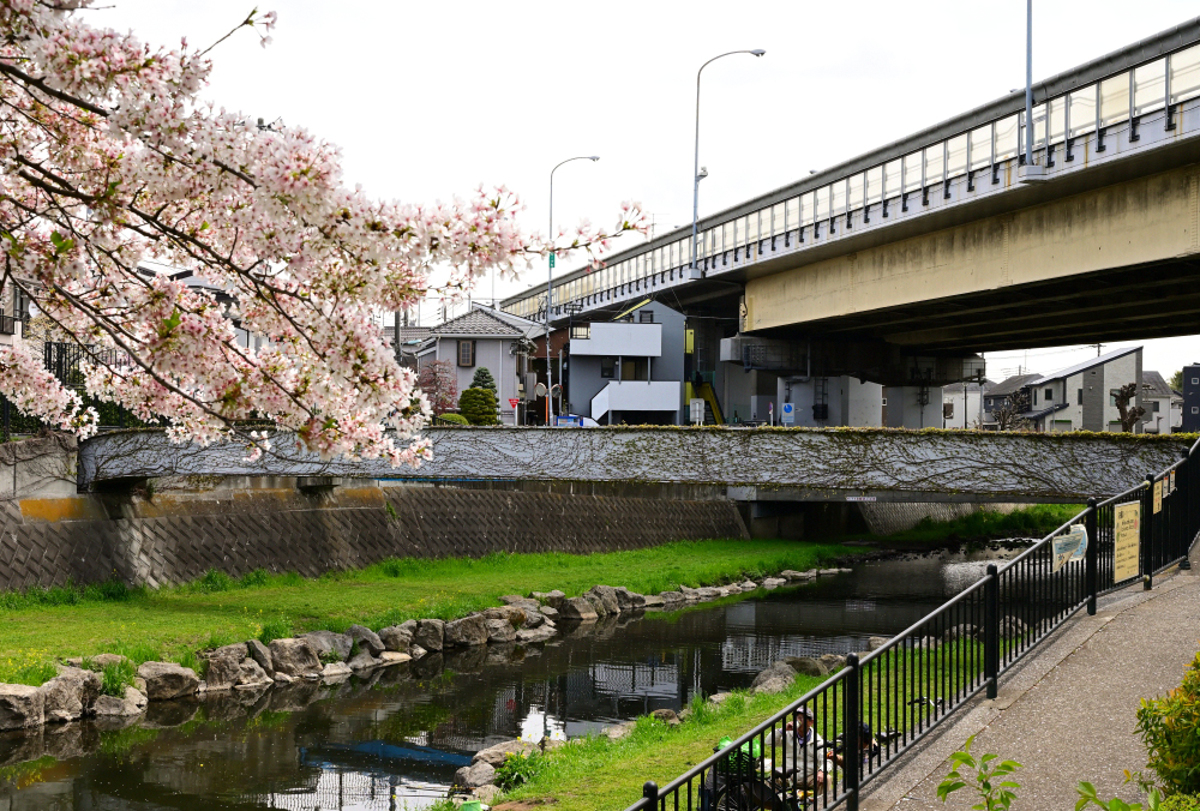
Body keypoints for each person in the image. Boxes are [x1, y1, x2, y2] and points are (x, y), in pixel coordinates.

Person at [768, 706, 826, 790]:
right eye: (796, 718)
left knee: (826, 779)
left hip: (808, 777)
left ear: (811, 722)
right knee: (770, 778)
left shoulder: (817, 741)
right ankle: (778, 802)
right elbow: (769, 742)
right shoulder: (788, 734)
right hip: (787, 777)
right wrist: (782, 730)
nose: (798, 721)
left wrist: (822, 771)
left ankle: (822, 803)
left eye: (801, 718)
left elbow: (826, 759)